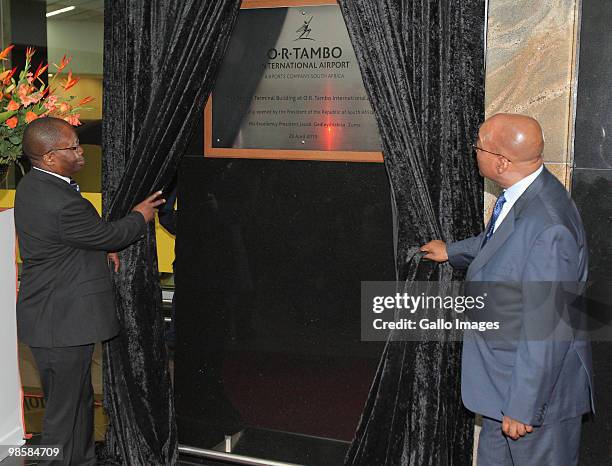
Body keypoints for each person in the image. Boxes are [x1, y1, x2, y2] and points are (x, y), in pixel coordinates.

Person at [421, 113, 593, 465]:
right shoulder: (526, 192)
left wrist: (524, 406)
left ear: (501, 161)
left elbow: (548, 327)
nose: (474, 151)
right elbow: (499, 242)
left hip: (535, 397)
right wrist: (452, 251)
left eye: (478, 146)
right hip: (505, 386)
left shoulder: (549, 227)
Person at [14, 117, 164, 465]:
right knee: (61, 420)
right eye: (73, 147)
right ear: (49, 157)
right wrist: (140, 215)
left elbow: (72, 240)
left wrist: (99, 246)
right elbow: (110, 235)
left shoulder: (36, 185)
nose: (81, 152)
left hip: (58, 319)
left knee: (79, 405)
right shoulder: (62, 202)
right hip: (61, 323)